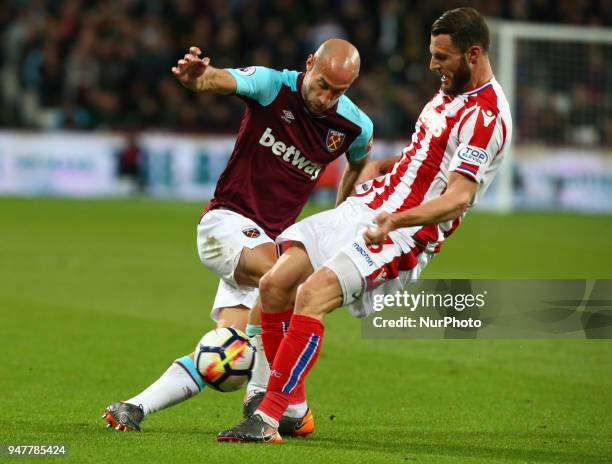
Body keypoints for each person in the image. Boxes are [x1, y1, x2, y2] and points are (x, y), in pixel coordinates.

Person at [217, 7, 513, 443]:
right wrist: (384, 168)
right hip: (372, 204)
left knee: (312, 295)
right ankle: (294, 410)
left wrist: (398, 217)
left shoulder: (486, 117)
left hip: (404, 232)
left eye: (442, 57)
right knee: (276, 284)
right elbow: (426, 161)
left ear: (473, 54)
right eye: (432, 55)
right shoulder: (447, 93)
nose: (432, 65)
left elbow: (457, 197)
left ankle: (266, 417)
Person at [103, 38, 378, 434]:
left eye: (339, 91)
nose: (326, 98)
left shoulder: (354, 125)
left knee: (228, 354)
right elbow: (216, 80)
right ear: (309, 64)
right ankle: (264, 395)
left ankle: (133, 407)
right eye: (322, 84)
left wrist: (340, 217)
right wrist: (198, 79)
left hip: (270, 243)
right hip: (227, 223)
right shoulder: (272, 86)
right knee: (286, 280)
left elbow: (358, 162)